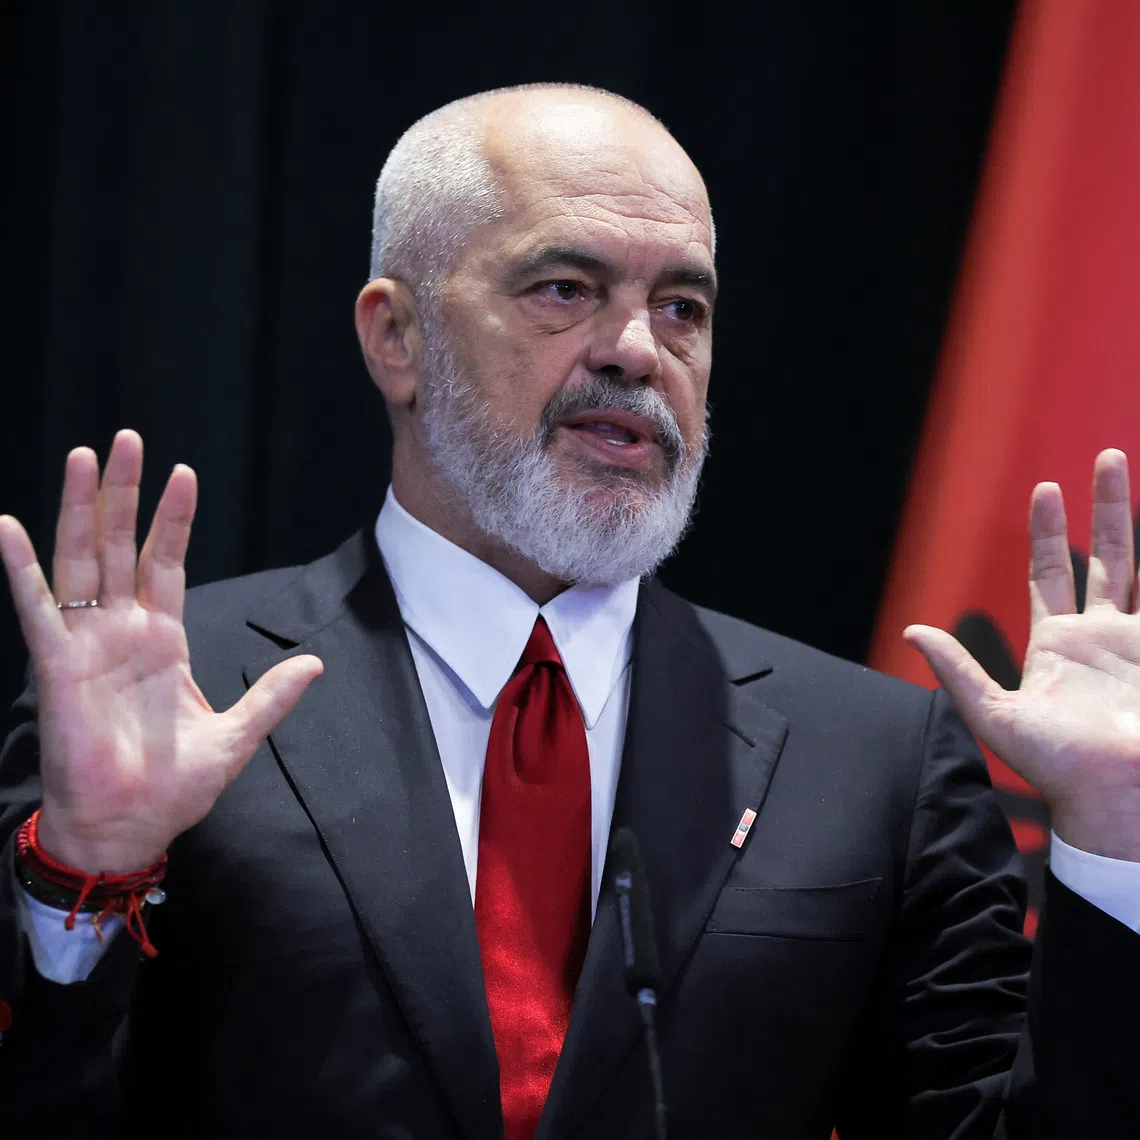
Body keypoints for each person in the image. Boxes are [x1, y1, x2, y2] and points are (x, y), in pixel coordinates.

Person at [0, 83, 1137, 1140]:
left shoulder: (876, 759)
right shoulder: (177, 698)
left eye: (682, 305)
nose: (639, 351)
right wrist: (85, 873)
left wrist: (1112, 846)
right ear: (395, 336)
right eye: (565, 288)